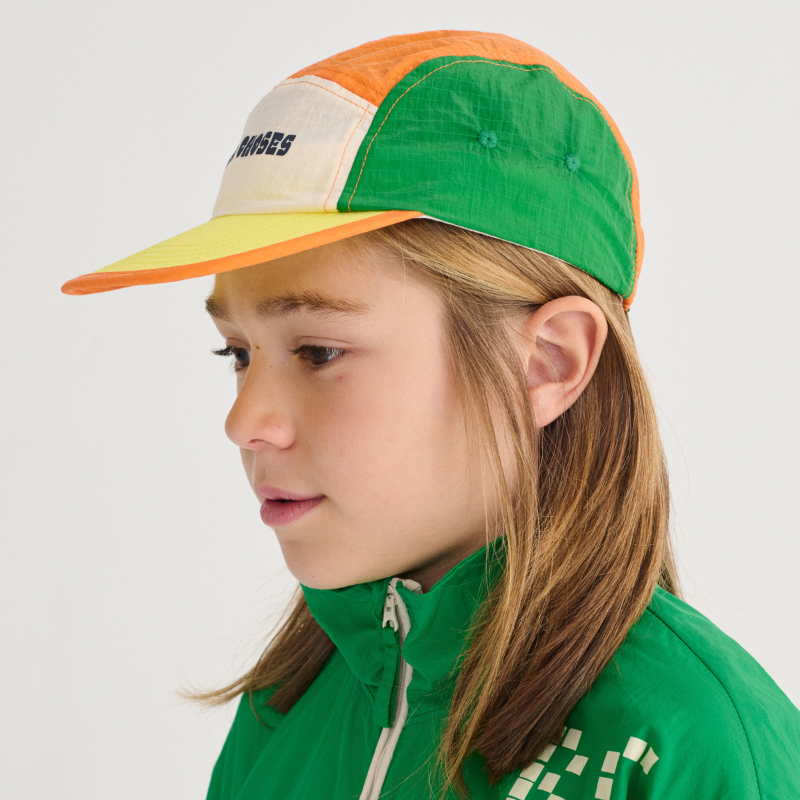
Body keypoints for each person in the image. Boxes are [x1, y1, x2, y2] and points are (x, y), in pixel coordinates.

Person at [61, 29, 800, 800]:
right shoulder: (287, 703)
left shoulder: (690, 745)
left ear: (547, 364)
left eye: (318, 352)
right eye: (237, 353)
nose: (245, 421)